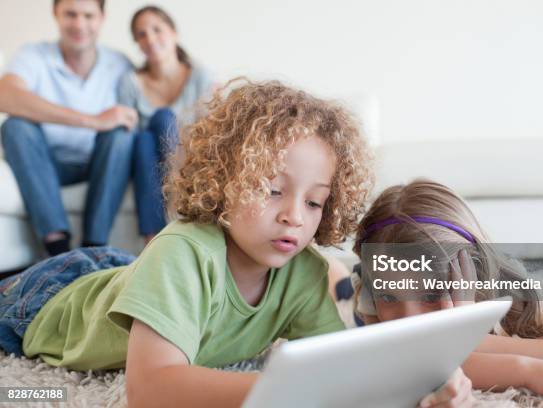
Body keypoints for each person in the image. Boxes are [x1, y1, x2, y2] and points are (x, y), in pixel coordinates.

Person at [0, 80, 471, 408]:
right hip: (50, 296)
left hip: (132, 278)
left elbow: (348, 369)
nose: (293, 214)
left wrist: (423, 388)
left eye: (314, 203)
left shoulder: (303, 273)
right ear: (224, 181)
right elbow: (152, 392)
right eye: (272, 190)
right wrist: (288, 394)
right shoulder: (184, 252)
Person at [351, 179, 543, 408]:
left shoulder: (508, 304)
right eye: (387, 297)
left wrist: (467, 333)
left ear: (472, 278)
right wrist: (525, 370)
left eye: (431, 295)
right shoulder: (370, 318)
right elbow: (405, 369)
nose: (408, 320)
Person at [0, 0, 137, 256]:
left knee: (121, 135)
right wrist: (92, 120)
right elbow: (5, 95)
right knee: (15, 126)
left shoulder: (120, 64)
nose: (79, 24)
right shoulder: (33, 55)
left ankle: (93, 248)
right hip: (45, 164)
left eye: (88, 16)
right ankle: (58, 250)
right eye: (70, 14)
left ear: (102, 18)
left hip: (99, 165)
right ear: (56, 14)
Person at [118, 5, 215, 243]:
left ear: (173, 33)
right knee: (143, 138)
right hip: (147, 166)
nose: (150, 39)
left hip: (187, 159)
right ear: (137, 43)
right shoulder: (130, 82)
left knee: (162, 119)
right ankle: (156, 234)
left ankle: (157, 230)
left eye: (156, 30)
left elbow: (211, 130)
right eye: (141, 34)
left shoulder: (200, 75)